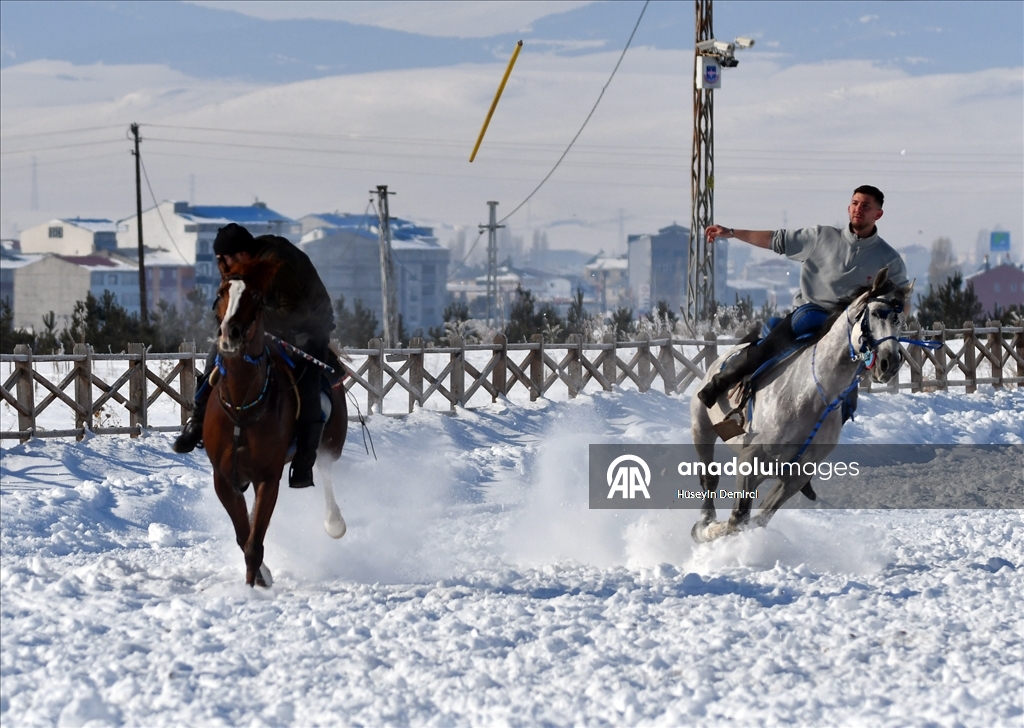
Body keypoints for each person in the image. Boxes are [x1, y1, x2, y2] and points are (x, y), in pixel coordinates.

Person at [697, 185, 909, 409]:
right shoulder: (821, 237)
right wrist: (731, 232)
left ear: (878, 214)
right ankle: (719, 383)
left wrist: (892, 330)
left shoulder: (889, 259)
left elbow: (901, 301)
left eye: (866, 206)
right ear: (848, 207)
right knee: (770, 346)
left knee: (849, 403)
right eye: (855, 204)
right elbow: (776, 240)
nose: (858, 209)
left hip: (850, 327)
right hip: (810, 313)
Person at [173, 223, 335, 489]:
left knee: (307, 381)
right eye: (222, 261)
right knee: (217, 355)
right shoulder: (239, 268)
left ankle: (304, 461)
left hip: (310, 325)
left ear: (242, 254)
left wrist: (255, 323)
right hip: (262, 325)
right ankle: (197, 421)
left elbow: (296, 310)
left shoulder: (276, 263)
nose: (226, 266)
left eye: (228, 259)